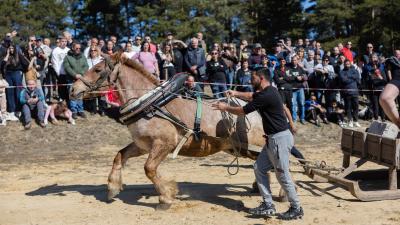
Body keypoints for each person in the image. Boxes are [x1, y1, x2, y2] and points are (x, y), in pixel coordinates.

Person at [212, 69, 303, 220]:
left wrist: (225, 107)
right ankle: (268, 205)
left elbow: (242, 111)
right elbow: (251, 96)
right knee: (259, 168)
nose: (250, 80)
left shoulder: (267, 94)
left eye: (253, 78)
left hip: (279, 139)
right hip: (272, 139)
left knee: (283, 176)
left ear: (261, 78)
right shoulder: (269, 91)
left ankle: (296, 208)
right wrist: (235, 93)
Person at [1, 44, 28, 121]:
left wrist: (21, 71)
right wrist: (8, 54)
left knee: (18, 92)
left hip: (17, 73)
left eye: (12, 48)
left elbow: (26, 64)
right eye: (10, 48)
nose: (11, 50)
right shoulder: (5, 56)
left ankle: (19, 110)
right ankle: (11, 110)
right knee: (10, 92)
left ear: (15, 49)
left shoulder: (19, 55)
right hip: (8, 75)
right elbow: (2, 64)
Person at [63, 42, 89, 119]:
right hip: (71, 79)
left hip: (80, 79)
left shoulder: (83, 56)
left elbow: (86, 66)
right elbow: (67, 68)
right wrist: (75, 75)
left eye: (79, 48)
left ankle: (80, 110)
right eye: (76, 48)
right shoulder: (67, 57)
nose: (78, 49)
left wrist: (81, 74)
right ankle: (74, 111)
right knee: (73, 95)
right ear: (73, 48)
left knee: (80, 95)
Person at [380, 50, 400, 127]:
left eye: (399, 53)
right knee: (385, 98)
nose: (397, 54)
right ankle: (398, 124)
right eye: (396, 53)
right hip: (397, 78)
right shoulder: (391, 60)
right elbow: (388, 70)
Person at [339, 59, 361, 128]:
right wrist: (352, 77)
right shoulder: (341, 72)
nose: (347, 65)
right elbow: (343, 80)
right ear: (344, 64)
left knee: (356, 107)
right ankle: (350, 120)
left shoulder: (354, 70)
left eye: (348, 64)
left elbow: (357, 78)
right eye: (346, 64)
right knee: (348, 107)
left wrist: (348, 77)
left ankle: (355, 120)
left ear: (350, 64)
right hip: (347, 92)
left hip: (355, 92)